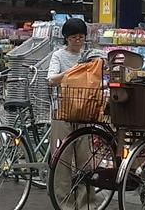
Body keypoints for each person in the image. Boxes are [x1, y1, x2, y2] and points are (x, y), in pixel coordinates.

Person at [48, 18, 97, 210]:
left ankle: (86, 204)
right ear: (66, 38)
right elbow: (51, 79)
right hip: (62, 113)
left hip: (84, 111)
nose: (78, 40)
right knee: (62, 160)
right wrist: (72, 73)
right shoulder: (58, 56)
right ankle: (65, 204)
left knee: (86, 161)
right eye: (74, 37)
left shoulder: (88, 56)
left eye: (81, 37)